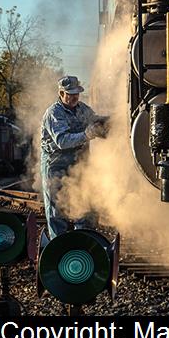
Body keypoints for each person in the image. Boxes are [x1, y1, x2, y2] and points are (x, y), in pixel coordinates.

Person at [40, 75, 108, 238]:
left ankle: (84, 241)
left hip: (79, 164)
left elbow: (96, 121)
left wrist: (112, 121)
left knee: (86, 204)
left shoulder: (83, 109)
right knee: (57, 210)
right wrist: (87, 135)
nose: (74, 97)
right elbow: (62, 141)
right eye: (70, 94)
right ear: (61, 93)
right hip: (56, 164)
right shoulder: (54, 113)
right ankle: (59, 246)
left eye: (76, 93)